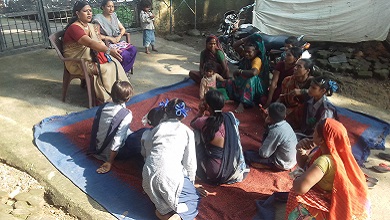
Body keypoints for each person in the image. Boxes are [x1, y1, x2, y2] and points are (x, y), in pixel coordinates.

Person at [286, 118, 370, 220]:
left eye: (315, 132)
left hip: (331, 205)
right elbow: (306, 165)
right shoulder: (337, 154)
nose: (312, 135)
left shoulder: (324, 161)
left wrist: (298, 177)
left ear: (321, 140)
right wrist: (300, 150)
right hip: (339, 200)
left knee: (295, 194)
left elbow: (300, 188)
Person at [142, 98, 200, 220]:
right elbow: (190, 163)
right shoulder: (187, 132)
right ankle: (176, 216)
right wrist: (190, 185)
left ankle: (164, 213)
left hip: (148, 175)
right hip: (169, 175)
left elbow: (147, 151)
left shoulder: (157, 128)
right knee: (192, 200)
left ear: (166, 112)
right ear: (183, 116)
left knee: (162, 207)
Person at [62, 1, 130, 103]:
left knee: (114, 62)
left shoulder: (90, 26)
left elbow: (98, 42)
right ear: (77, 13)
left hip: (89, 58)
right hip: (77, 63)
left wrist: (109, 53)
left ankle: (121, 92)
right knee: (106, 68)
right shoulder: (74, 28)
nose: (89, 13)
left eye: (90, 11)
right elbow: (90, 43)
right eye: (85, 11)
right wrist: (108, 50)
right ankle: (107, 96)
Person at [191, 90, 248, 185]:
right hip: (236, 169)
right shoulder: (231, 117)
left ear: (207, 106)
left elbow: (192, 123)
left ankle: (197, 167)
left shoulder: (203, 121)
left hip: (215, 173)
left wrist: (201, 111)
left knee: (195, 133)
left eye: (204, 101)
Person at [89, 80, 139, 174]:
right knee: (141, 136)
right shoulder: (126, 114)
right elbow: (117, 140)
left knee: (127, 131)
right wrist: (109, 161)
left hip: (97, 148)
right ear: (127, 99)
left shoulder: (103, 107)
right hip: (110, 154)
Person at [244, 102, 297, 171]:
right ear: (284, 116)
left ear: (269, 117)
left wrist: (266, 125)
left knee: (247, 155)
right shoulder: (286, 125)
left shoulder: (275, 131)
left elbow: (263, 154)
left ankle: (269, 165)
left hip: (282, 163)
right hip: (292, 160)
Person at [92, 0, 137, 75]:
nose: (111, 9)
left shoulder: (114, 16)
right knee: (124, 54)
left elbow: (122, 29)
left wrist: (119, 36)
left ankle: (124, 70)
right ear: (103, 7)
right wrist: (109, 38)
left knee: (133, 49)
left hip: (117, 41)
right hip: (106, 44)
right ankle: (122, 72)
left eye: (112, 6)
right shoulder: (98, 19)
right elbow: (97, 35)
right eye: (108, 6)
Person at [227, 33, 268, 113]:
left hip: (257, 86)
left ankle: (243, 103)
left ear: (256, 52)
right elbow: (235, 46)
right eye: (245, 51)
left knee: (251, 79)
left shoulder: (257, 60)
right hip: (244, 80)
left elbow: (254, 72)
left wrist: (239, 71)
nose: (246, 54)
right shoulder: (246, 55)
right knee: (229, 82)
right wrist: (246, 39)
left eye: (249, 52)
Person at [278, 58, 314, 129]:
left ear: (307, 70)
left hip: (305, 113)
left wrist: (302, 91)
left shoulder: (313, 83)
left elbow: (319, 95)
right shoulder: (287, 80)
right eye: (295, 66)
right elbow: (282, 97)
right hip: (288, 108)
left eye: (299, 67)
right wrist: (273, 108)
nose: (295, 68)